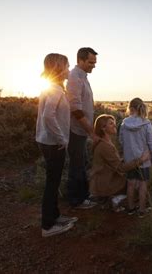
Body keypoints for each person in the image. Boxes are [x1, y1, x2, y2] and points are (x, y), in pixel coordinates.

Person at [36, 53, 78, 237]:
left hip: (48, 142)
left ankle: (55, 216)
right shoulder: (54, 89)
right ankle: (47, 226)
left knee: (53, 180)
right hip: (54, 144)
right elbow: (48, 115)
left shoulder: (54, 88)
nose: (69, 69)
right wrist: (62, 138)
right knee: (52, 183)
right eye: (67, 66)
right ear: (59, 68)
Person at [89, 114, 149, 212]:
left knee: (133, 178)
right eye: (111, 124)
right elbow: (120, 168)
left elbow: (114, 162)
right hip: (105, 182)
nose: (114, 126)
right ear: (103, 128)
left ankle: (113, 198)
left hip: (103, 178)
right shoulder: (105, 146)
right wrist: (141, 160)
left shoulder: (105, 142)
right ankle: (117, 200)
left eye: (114, 123)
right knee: (135, 181)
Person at [66, 47, 98, 209]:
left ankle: (83, 196)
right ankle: (75, 200)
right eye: (91, 62)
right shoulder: (74, 77)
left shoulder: (83, 77)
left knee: (82, 162)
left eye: (95, 62)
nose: (94, 65)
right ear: (80, 60)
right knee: (77, 164)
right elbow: (76, 109)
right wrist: (92, 131)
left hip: (82, 130)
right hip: (76, 130)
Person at [119, 98, 152, 218]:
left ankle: (130, 208)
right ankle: (141, 210)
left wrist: (127, 151)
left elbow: (121, 141)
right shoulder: (146, 124)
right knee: (142, 184)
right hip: (143, 161)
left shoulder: (124, 124)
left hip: (129, 161)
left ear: (130, 109)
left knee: (130, 184)